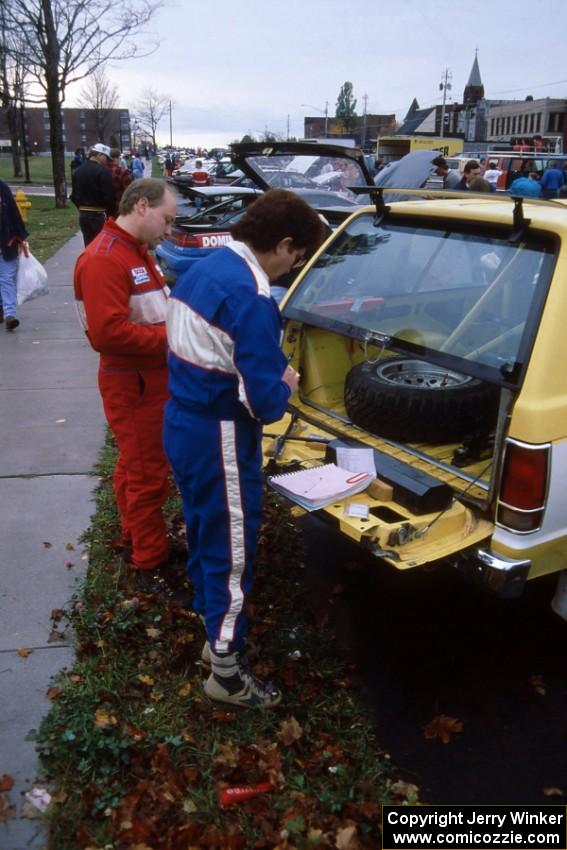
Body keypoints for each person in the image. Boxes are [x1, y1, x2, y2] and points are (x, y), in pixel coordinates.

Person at [164, 189, 325, 708]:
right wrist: (287, 383)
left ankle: (215, 640)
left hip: (183, 423)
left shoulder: (207, 267)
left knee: (206, 533)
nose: (291, 270)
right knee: (232, 550)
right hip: (221, 436)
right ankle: (227, 673)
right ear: (283, 244)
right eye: (297, 257)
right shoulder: (253, 297)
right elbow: (265, 404)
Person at [74, 179, 184, 597]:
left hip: (148, 380)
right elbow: (108, 334)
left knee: (134, 466)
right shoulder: (105, 259)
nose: (169, 230)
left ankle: (136, 536)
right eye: (166, 219)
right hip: (134, 384)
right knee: (147, 474)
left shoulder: (133, 251)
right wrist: (174, 340)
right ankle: (148, 563)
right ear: (142, 205)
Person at [70, 143, 115, 246]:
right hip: (98, 216)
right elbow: (109, 197)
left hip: (83, 216)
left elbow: (74, 196)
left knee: (88, 245)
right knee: (101, 246)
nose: (107, 161)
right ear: (99, 155)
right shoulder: (103, 171)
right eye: (106, 158)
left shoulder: (77, 171)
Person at [0, 180, 28, 331]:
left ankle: (9, 314)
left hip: (6, 242)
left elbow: (13, 213)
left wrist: (21, 237)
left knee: (7, 279)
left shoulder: (2, 188)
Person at [108, 147, 133, 215]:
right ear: (116, 158)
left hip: (104, 208)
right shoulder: (122, 172)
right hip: (119, 206)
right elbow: (129, 191)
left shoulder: (101, 170)